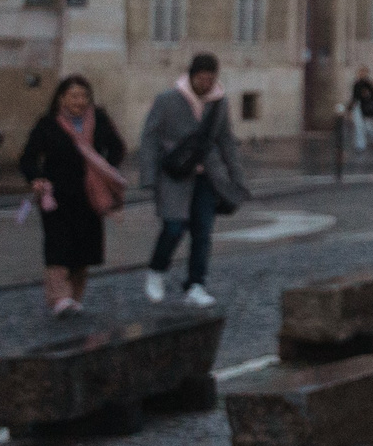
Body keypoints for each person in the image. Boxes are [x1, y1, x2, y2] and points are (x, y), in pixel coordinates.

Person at [136, 52, 249, 307]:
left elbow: (226, 141)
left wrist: (237, 177)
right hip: (174, 175)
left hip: (207, 177)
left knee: (203, 233)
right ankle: (156, 271)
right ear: (191, 75)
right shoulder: (167, 100)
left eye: (210, 78)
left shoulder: (219, 103)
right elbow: (150, 137)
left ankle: (196, 284)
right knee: (174, 227)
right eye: (201, 78)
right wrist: (149, 176)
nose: (206, 84)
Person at [19, 75, 126, 318]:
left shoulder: (98, 119)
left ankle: (75, 297)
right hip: (57, 195)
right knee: (58, 246)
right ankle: (59, 298)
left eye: (84, 96)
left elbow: (118, 147)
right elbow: (28, 157)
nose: (79, 101)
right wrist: (36, 177)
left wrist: (104, 169)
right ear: (62, 97)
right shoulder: (48, 124)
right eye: (74, 96)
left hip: (90, 195)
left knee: (84, 248)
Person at [349, 67, 373, 153]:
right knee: (359, 126)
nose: (361, 74)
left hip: (366, 107)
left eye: (363, 72)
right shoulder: (356, 83)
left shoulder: (369, 83)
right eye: (360, 72)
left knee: (369, 126)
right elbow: (354, 96)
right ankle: (360, 145)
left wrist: (368, 95)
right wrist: (351, 107)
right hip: (358, 106)